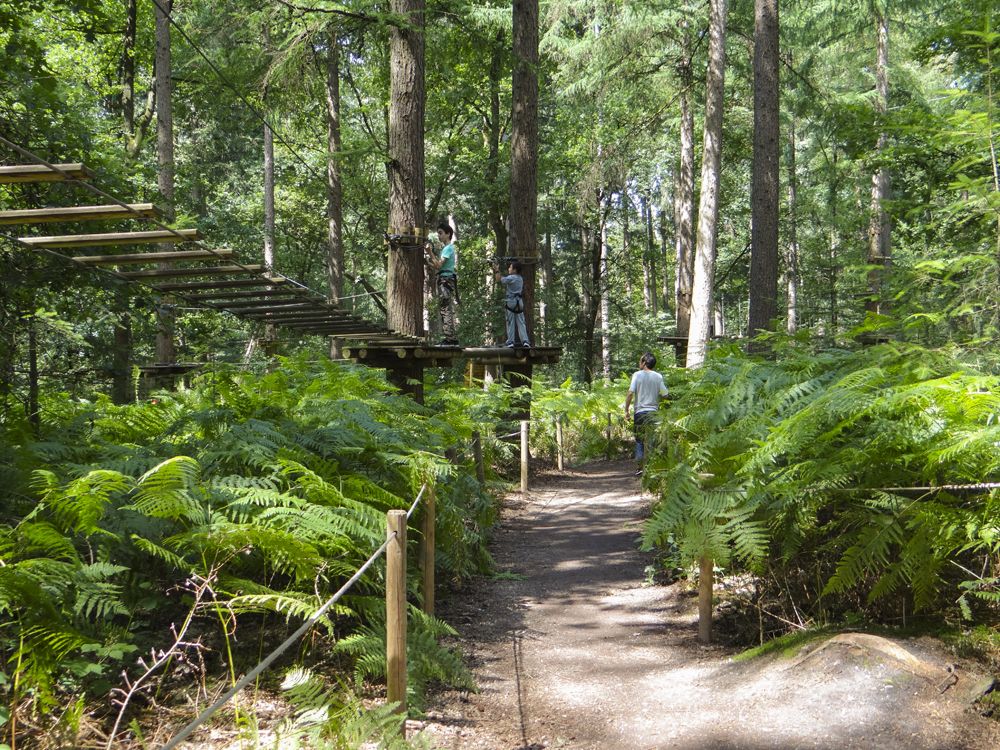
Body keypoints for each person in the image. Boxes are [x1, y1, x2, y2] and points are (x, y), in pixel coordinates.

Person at [624, 351, 667, 475]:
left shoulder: (637, 375)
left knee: (639, 440)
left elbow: (630, 393)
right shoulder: (658, 376)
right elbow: (665, 394)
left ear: (644, 363)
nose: (639, 363)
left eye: (640, 361)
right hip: (654, 413)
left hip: (640, 413)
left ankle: (640, 468)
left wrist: (626, 410)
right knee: (653, 440)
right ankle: (652, 468)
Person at [425, 222, 458, 345]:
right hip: (445, 279)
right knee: (445, 308)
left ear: (448, 234)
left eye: (441, 233)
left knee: (445, 309)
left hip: (446, 281)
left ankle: (450, 338)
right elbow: (438, 267)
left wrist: (430, 252)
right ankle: (450, 337)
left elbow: (439, 265)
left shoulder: (448, 248)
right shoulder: (446, 249)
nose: (439, 236)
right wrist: (428, 261)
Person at [495, 259, 530, 348]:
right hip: (520, 303)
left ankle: (510, 342)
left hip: (511, 302)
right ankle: (525, 341)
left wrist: (497, 270)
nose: (509, 269)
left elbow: (499, 279)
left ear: (514, 270)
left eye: (510, 267)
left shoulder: (511, 278)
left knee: (510, 322)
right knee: (521, 322)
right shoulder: (520, 278)